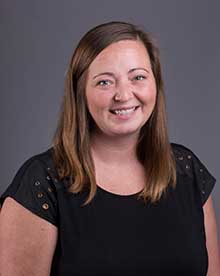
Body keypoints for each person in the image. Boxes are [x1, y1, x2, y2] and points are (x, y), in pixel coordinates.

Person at [0, 21, 219, 276]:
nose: (124, 95)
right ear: (80, 92)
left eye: (138, 77)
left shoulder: (187, 171)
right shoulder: (41, 184)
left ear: (155, 84)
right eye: (105, 82)